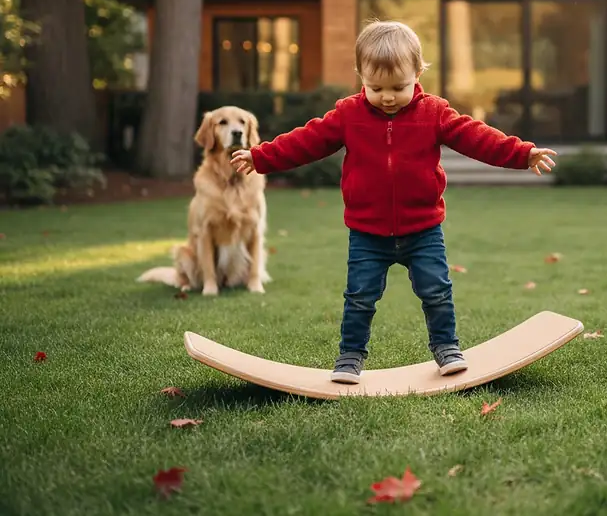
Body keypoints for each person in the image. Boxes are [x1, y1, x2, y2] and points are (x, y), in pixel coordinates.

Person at [230, 21, 556, 384]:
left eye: (398, 87)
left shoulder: (434, 113)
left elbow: (476, 137)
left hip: (423, 229)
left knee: (436, 290)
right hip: (368, 232)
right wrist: (261, 157)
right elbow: (305, 140)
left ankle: (447, 348)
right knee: (359, 297)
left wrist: (522, 153)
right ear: (361, 77)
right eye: (376, 88)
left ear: (417, 74)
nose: (387, 96)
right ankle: (350, 358)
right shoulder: (348, 115)